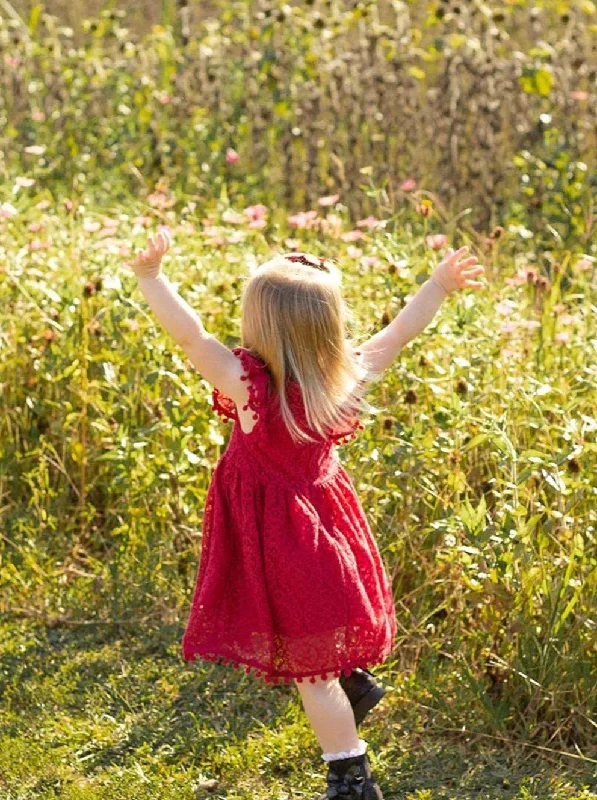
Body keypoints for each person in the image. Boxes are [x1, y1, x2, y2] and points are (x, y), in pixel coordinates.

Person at [127, 232, 485, 799]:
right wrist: (438, 284)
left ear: (260, 326)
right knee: (319, 657)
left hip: (283, 544)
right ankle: (353, 686)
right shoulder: (346, 378)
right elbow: (400, 332)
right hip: (328, 535)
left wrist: (151, 277)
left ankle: (350, 776)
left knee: (309, 673)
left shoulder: (248, 388)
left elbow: (190, 335)